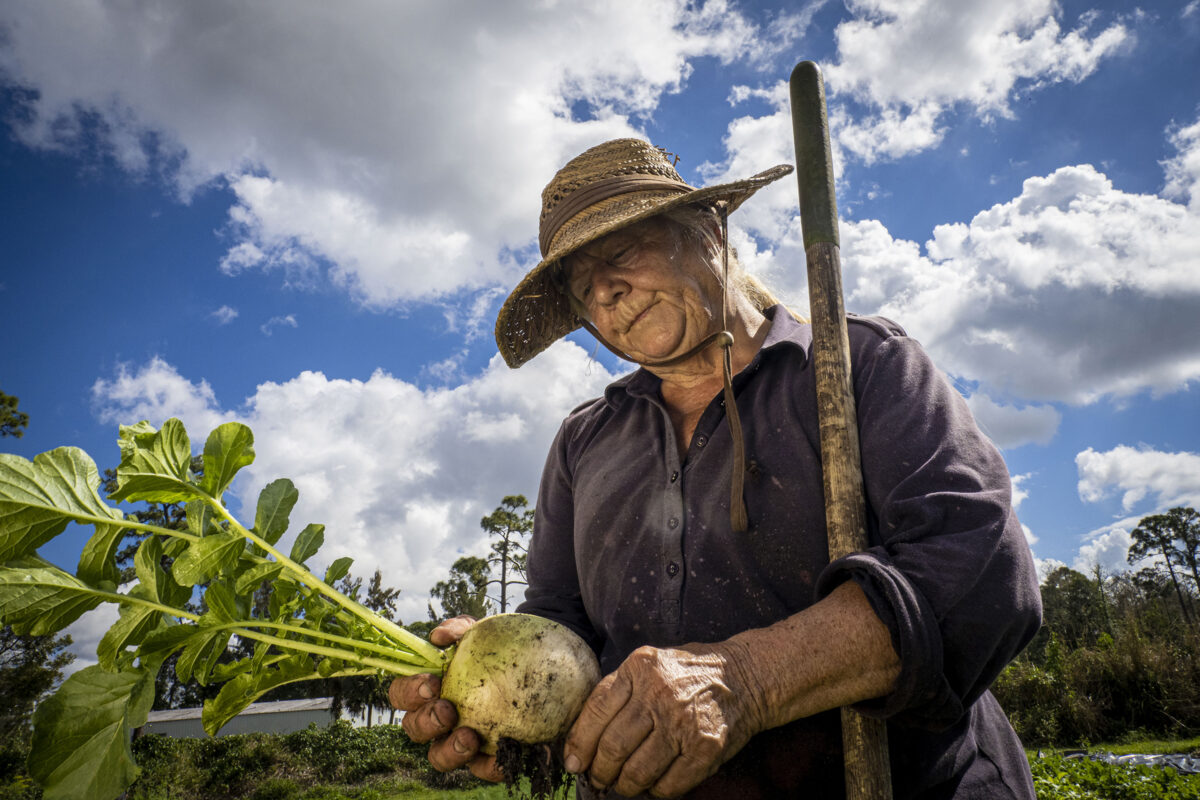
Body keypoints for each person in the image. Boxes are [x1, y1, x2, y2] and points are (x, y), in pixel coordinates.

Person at [390, 138, 1042, 799]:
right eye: (584, 286)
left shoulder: (855, 367)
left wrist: (746, 679)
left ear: (708, 230)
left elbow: (982, 572)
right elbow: (561, 620)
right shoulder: (585, 442)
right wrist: (502, 683)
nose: (607, 290)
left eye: (619, 252)